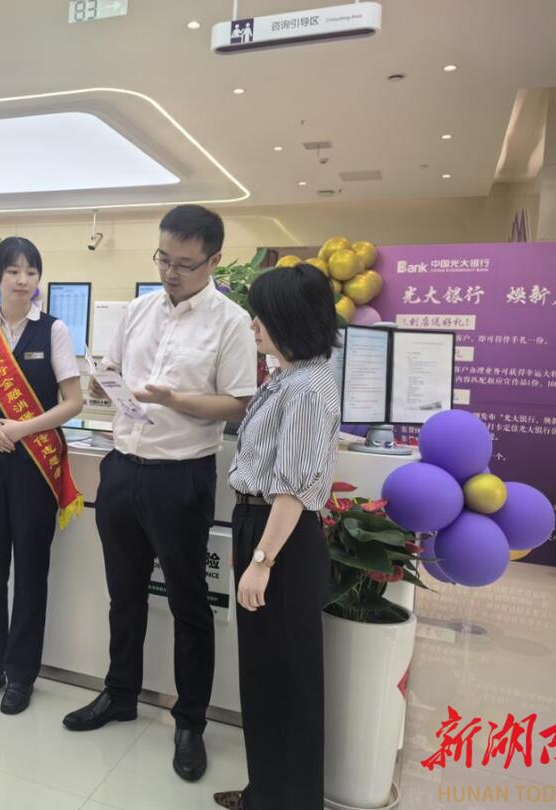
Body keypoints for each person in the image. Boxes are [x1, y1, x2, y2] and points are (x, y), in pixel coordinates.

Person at [62, 205, 258, 782]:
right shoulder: (139, 310)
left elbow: (238, 404)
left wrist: (175, 400)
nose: (171, 273)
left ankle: (190, 721)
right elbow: (110, 372)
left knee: (188, 603)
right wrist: (104, 380)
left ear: (213, 261)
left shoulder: (230, 322)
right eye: (163, 259)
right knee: (123, 595)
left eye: (185, 264)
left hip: (181, 476)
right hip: (123, 470)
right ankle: (119, 693)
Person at [214, 264, 340, 810]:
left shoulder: (307, 388)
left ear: (290, 319)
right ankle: (265, 792)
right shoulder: (289, 376)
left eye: (261, 316)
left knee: (286, 680)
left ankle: (287, 800)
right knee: (265, 675)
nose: (253, 325)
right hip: (262, 528)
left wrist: (262, 559)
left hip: (281, 537)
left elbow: (292, 489)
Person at [0, 236, 84, 715]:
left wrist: (22, 428)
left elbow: (73, 401)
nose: (23, 280)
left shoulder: (53, 330)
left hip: (34, 463)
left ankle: (22, 673)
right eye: (13, 271)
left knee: (31, 569)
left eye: (31, 271)